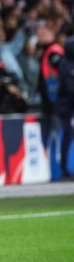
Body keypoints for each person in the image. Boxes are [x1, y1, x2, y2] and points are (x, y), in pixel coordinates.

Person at [54, 37, 74, 178]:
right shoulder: (68, 66)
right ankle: (63, 169)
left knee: (68, 136)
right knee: (67, 135)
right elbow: (71, 88)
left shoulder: (66, 64)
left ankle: (64, 168)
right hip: (66, 106)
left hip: (68, 104)